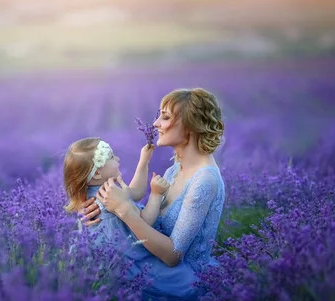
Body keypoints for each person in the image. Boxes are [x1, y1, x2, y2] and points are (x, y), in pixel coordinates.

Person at [79, 87, 226, 289]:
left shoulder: (205, 180)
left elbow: (173, 256)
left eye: (165, 117)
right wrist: (102, 212)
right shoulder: (174, 171)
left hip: (183, 285)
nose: (155, 124)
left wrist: (123, 210)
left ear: (191, 125)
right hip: (155, 273)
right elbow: (149, 222)